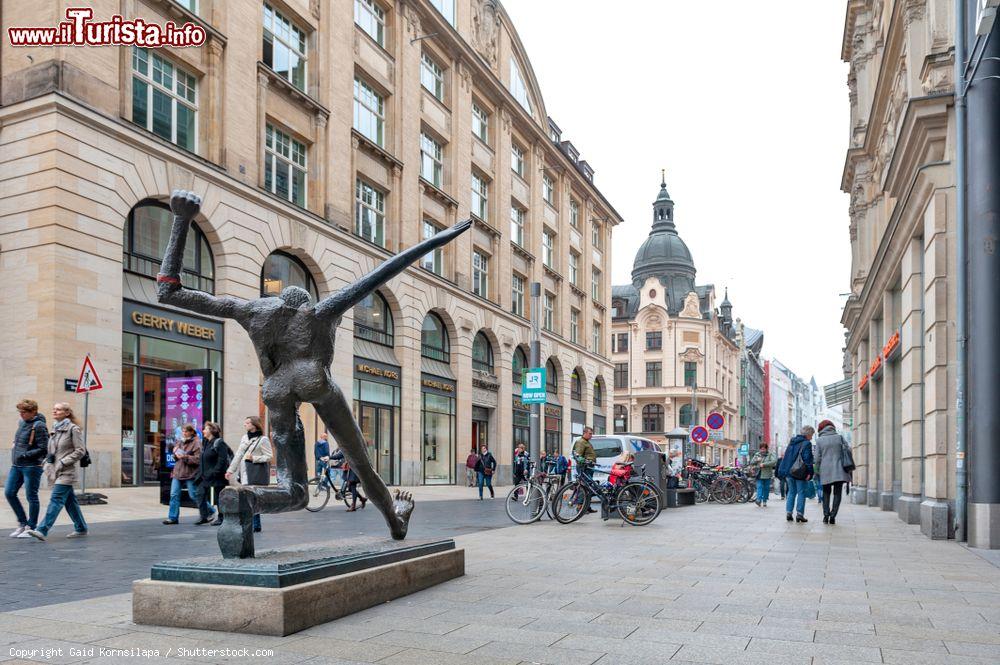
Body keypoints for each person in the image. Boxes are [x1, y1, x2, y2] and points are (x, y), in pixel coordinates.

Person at [25, 403, 87, 541]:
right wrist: (46, 462)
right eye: (54, 408)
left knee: (56, 499)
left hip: (67, 471)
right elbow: (52, 450)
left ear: (67, 413)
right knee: (70, 502)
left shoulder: (73, 429)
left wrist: (64, 461)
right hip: (55, 470)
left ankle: (42, 529)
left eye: (58, 409)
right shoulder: (55, 429)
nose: (54, 411)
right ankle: (81, 527)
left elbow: (80, 450)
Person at [6, 399, 48, 538]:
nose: (21, 415)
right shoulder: (22, 423)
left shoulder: (39, 425)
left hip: (32, 466)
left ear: (33, 412)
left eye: (24, 412)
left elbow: (43, 448)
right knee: (9, 493)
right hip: (17, 465)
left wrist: (25, 454)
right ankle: (22, 523)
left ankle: (31, 527)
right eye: (20, 412)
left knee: (31, 497)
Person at [226, 416, 273, 533]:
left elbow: (269, 456)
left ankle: (254, 524)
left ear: (254, 425)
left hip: (254, 472)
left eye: (247, 423)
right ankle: (254, 524)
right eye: (245, 422)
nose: (245, 425)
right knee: (249, 499)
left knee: (251, 499)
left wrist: (254, 458)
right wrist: (230, 470)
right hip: (244, 472)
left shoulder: (263, 439)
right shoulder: (244, 438)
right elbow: (238, 455)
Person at [163, 424, 212, 525]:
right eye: (183, 431)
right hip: (178, 472)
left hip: (190, 473)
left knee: (193, 495)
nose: (184, 433)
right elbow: (177, 458)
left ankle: (210, 510)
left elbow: (198, 460)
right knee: (174, 495)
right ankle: (172, 518)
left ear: (191, 432)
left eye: (186, 431)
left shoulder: (197, 442)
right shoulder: (180, 441)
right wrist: (175, 454)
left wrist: (185, 457)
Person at [815, 419, 852, 525]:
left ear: (821, 428)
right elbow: (848, 449)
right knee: (837, 493)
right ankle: (833, 516)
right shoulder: (839, 437)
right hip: (839, 469)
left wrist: (817, 470)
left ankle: (826, 515)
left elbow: (817, 458)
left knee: (826, 493)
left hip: (825, 470)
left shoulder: (819, 440)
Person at [776, 426, 815, 523]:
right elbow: (807, 459)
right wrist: (810, 472)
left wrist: (784, 470)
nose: (812, 437)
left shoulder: (792, 442)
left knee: (791, 492)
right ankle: (799, 515)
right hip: (800, 472)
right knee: (801, 492)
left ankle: (789, 513)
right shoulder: (807, 443)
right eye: (812, 435)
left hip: (789, 472)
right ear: (808, 434)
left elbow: (786, 458)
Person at [196, 421, 231, 526]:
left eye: (205, 429)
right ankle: (204, 517)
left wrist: (215, 471)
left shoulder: (219, 443)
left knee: (219, 497)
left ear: (212, 430)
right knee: (200, 494)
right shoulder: (205, 442)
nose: (203, 431)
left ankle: (222, 517)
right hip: (204, 475)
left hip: (217, 475)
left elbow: (222, 460)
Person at [572, 426, 598, 513]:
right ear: (585, 433)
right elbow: (577, 455)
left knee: (589, 487)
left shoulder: (586, 442)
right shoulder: (581, 442)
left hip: (588, 467)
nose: (591, 435)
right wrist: (584, 462)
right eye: (590, 433)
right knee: (583, 486)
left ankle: (587, 506)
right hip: (584, 468)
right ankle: (580, 507)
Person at [749, 443, 777, 507]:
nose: (762, 450)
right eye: (761, 449)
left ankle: (764, 501)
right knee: (759, 487)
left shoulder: (770, 454)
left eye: (763, 449)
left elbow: (774, 461)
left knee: (766, 488)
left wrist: (764, 464)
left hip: (767, 474)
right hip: (759, 473)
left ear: (766, 449)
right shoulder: (757, 454)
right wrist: (756, 460)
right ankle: (759, 500)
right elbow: (751, 462)